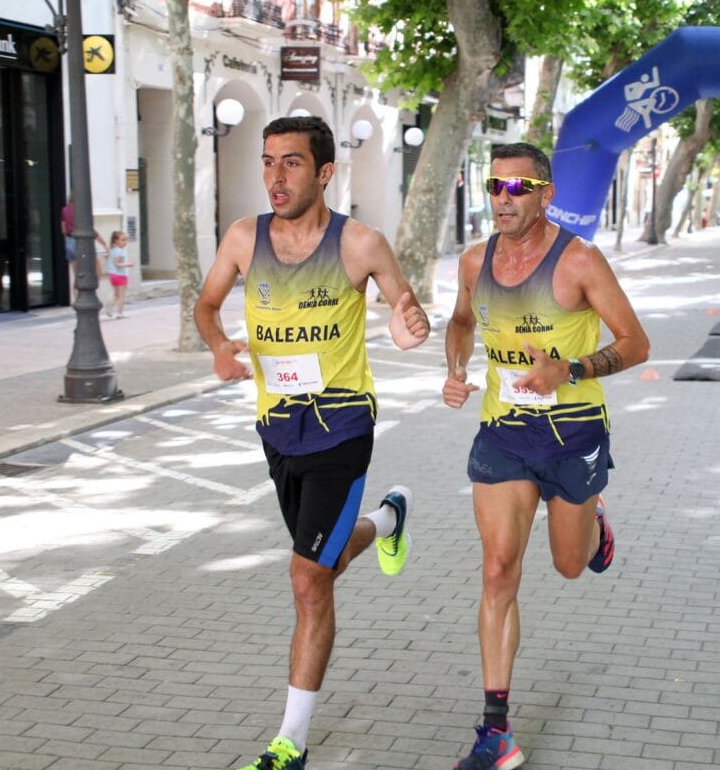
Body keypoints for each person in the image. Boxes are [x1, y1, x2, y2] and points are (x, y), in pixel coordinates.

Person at [193, 115, 430, 770]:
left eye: (292, 163)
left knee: (305, 578)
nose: (275, 176)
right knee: (318, 566)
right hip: (277, 428)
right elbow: (206, 305)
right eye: (268, 162)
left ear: (325, 172)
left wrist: (411, 324)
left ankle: (289, 743)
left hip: (342, 424)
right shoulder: (245, 239)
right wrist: (218, 348)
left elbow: (407, 313)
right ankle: (386, 520)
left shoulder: (360, 244)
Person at [442, 142, 650, 770]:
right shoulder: (473, 261)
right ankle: (495, 730)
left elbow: (637, 343)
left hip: (574, 435)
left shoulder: (579, 261)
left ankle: (592, 529)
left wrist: (573, 369)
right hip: (503, 434)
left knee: (568, 565)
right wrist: (454, 367)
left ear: (545, 193)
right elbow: (459, 321)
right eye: (494, 187)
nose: (503, 199)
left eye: (518, 187)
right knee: (498, 571)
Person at [61, 198, 106, 300]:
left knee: (77, 276)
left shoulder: (64, 210)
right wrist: (104, 243)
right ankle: (90, 295)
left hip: (69, 242)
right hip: (84, 243)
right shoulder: (82, 210)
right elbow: (91, 230)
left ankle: (77, 300)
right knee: (98, 271)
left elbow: (63, 229)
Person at [104, 231, 133, 319]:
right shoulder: (120, 251)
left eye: (126, 240)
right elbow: (117, 264)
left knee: (116, 295)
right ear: (116, 240)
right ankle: (120, 313)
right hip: (120, 275)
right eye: (123, 240)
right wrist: (129, 264)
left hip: (112, 275)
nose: (125, 242)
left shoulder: (111, 250)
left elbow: (109, 260)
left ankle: (110, 304)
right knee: (121, 296)